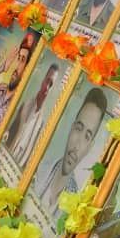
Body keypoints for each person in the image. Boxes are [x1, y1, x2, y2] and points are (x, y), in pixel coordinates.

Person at [34, 88, 108, 222]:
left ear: (90, 147)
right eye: (79, 128)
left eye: (87, 136)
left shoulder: (74, 211)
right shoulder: (37, 169)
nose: (77, 145)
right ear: (72, 127)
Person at [0, 33, 36, 131]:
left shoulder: (18, 107)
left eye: (22, 60)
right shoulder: (0, 89)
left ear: (28, 69)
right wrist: (2, 68)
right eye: (18, 58)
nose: (16, 65)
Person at [7, 63, 60, 166]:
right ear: (43, 80)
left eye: (51, 85)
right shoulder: (24, 104)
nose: (47, 87)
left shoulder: (42, 124)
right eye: (47, 81)